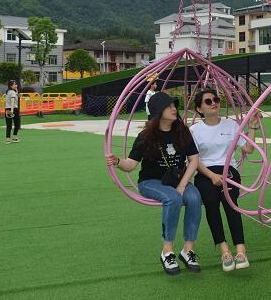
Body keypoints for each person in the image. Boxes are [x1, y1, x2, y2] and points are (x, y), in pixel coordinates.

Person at [105, 92, 202, 276]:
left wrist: (182, 185)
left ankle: (188, 249)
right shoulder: (146, 135)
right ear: (158, 111)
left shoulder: (182, 131)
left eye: (175, 105)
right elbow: (131, 165)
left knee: (195, 197)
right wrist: (117, 161)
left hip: (177, 180)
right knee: (173, 198)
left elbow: (194, 160)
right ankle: (167, 251)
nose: (174, 109)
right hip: (151, 182)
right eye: (169, 106)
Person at [190, 89, 259, 272]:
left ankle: (241, 250)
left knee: (231, 204)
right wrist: (212, 176)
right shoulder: (194, 130)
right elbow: (194, 160)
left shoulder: (231, 125)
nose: (214, 103)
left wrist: (252, 126)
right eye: (208, 101)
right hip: (205, 172)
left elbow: (249, 150)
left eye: (216, 99)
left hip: (229, 170)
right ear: (199, 109)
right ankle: (224, 250)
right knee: (211, 203)